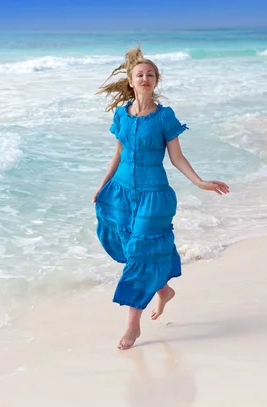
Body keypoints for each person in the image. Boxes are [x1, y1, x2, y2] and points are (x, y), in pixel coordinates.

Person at [93, 46, 230, 350]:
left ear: (156, 81)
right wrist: (102, 185)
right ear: (131, 81)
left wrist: (200, 182)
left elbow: (177, 157)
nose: (145, 78)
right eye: (140, 74)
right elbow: (118, 153)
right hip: (121, 192)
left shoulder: (165, 117)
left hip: (154, 195)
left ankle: (133, 326)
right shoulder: (121, 115)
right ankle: (163, 290)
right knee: (130, 248)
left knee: (141, 254)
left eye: (150, 74)